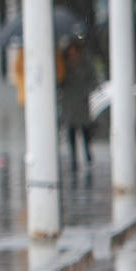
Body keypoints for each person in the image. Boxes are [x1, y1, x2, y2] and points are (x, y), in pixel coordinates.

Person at [58, 36, 99, 172]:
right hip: (68, 101)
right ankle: (73, 158)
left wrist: (87, 90)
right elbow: (59, 79)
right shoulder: (63, 63)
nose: (72, 52)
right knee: (71, 130)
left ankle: (88, 154)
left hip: (81, 101)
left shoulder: (85, 62)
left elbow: (93, 79)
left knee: (85, 129)